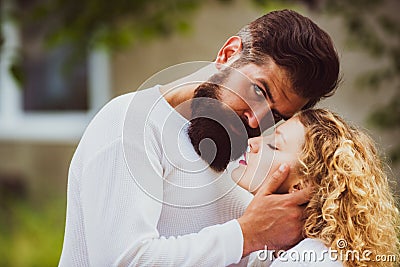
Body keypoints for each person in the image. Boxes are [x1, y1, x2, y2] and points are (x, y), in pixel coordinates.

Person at [59, 9, 340, 266]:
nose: (256, 120)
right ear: (228, 54)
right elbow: (121, 261)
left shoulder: (241, 158)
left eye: (275, 116)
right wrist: (247, 234)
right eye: (258, 91)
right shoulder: (129, 125)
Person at [232, 109, 400, 267]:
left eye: (274, 145)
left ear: (301, 186)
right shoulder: (276, 251)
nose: (252, 142)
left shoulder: (304, 261)